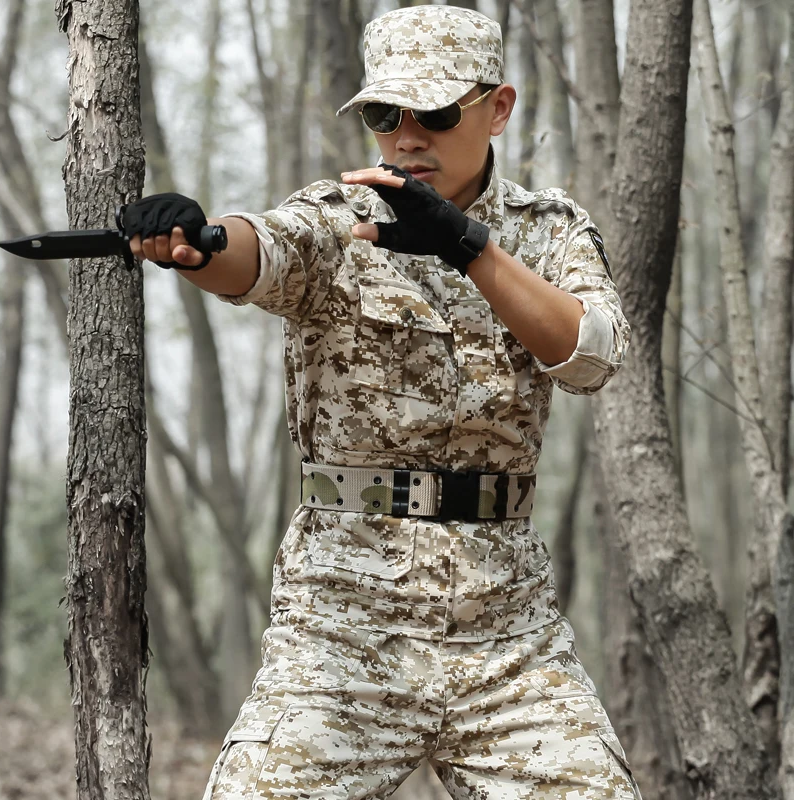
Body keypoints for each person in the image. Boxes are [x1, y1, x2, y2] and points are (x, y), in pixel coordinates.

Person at [126, 5, 638, 799]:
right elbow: (262, 251)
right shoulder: (340, 218)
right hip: (341, 626)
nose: (405, 138)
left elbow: (592, 357)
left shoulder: (548, 232)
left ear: (497, 108)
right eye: (383, 114)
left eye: (434, 113)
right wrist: (201, 241)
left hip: (507, 635)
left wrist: (471, 248)